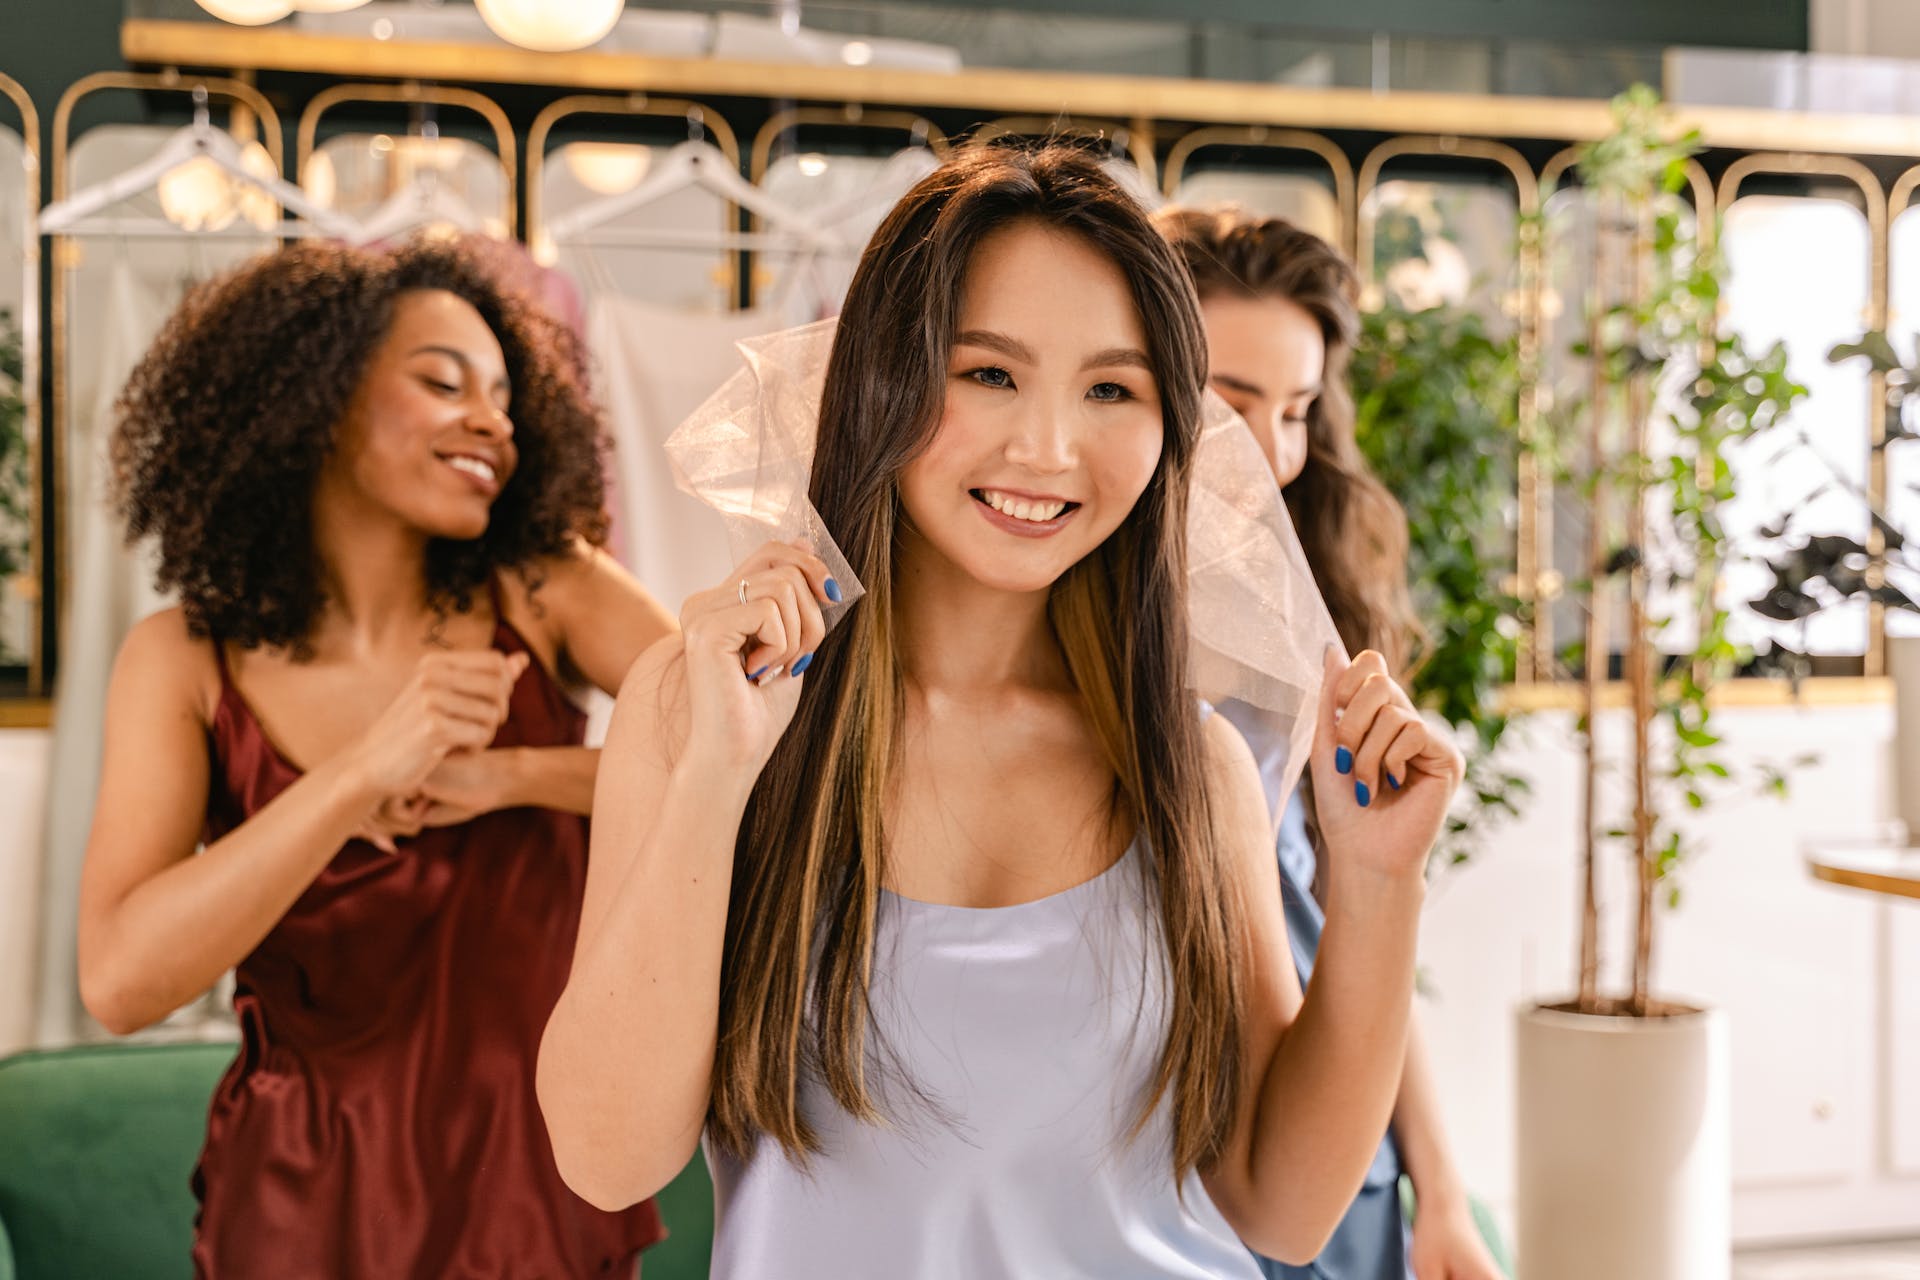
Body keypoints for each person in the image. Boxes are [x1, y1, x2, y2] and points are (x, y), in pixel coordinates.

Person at [538, 142, 1462, 1278]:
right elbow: (606, 1156)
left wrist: (1380, 882)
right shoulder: (698, 709)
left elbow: (1281, 1206)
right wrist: (719, 772)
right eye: (988, 373)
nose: (1049, 449)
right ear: (882, 377)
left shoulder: (1191, 763)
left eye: (1113, 389)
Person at [76, 239, 672, 1277]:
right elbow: (123, 980)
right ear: (315, 400)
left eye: (502, 395)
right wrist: (357, 777)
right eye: (443, 382)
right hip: (296, 1207)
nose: (493, 420)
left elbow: (766, 754)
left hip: (531, 1187)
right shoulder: (183, 658)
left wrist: (508, 775)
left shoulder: (545, 590)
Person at [1157, 205, 1504, 1280]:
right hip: (1165, 1152)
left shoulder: (1309, 640)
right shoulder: (1059, 635)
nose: (1272, 451)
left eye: (1299, 410)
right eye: (1233, 403)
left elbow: (1354, 935)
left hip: (1332, 1141)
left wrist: (1438, 1192)